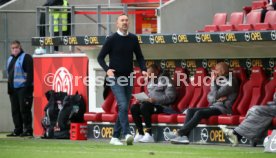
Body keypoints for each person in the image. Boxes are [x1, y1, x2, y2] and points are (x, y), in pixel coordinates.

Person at [97, 13, 147, 146]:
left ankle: (114, 137)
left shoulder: (133, 38)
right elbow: (100, 57)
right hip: (115, 77)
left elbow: (140, 57)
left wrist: (144, 70)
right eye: (122, 20)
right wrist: (107, 69)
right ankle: (126, 133)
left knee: (124, 108)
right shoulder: (111, 39)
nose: (125, 22)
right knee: (123, 104)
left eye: (126, 20)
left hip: (129, 77)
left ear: (128, 23)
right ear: (117, 24)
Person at [164, 62, 239, 144]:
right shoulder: (219, 80)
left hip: (223, 109)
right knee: (190, 110)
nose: (215, 72)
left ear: (223, 70)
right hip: (213, 106)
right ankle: (184, 137)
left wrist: (213, 83)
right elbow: (209, 97)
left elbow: (215, 94)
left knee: (199, 113)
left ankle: (179, 133)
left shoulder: (232, 81)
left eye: (217, 70)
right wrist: (216, 99)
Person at [131, 64, 177, 143]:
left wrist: (155, 100)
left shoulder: (166, 80)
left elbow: (171, 97)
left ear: (156, 72)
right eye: (148, 74)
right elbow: (150, 95)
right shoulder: (150, 82)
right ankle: (141, 133)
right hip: (150, 105)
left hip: (162, 107)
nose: (149, 76)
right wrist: (142, 99)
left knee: (144, 107)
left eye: (151, 73)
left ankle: (149, 134)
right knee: (134, 107)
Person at [6, 40, 34, 137]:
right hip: (13, 89)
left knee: (24, 109)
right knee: (15, 110)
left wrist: (27, 88)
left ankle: (28, 130)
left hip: (24, 88)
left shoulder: (26, 57)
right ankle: (18, 129)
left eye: (16, 47)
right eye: (13, 48)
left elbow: (31, 74)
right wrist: (9, 89)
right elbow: (9, 75)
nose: (15, 50)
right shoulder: (10, 59)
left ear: (20, 47)